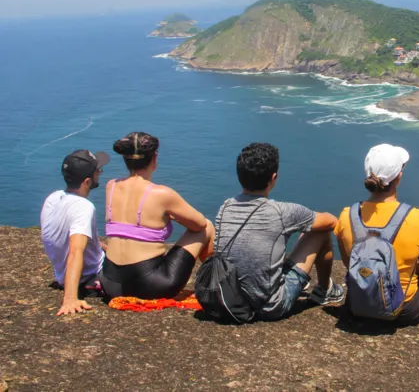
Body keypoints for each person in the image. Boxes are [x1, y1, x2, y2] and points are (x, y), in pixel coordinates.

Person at [215, 142, 344, 321]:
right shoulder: (282, 212)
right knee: (319, 232)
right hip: (268, 306)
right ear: (273, 178)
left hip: (228, 299)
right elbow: (331, 222)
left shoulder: (225, 207)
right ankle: (324, 290)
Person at [335, 143, 419, 323]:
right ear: (399, 177)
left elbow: (349, 263)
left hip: (358, 303)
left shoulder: (347, 216)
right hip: (404, 308)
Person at [99, 132, 214, 300]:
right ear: (154, 158)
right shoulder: (162, 194)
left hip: (110, 284)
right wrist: (173, 216)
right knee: (207, 226)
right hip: (150, 285)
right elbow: (199, 224)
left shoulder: (111, 186)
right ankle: (214, 280)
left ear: (125, 160)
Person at [41, 149, 109, 316]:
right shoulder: (83, 207)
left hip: (64, 273)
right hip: (91, 277)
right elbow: (75, 250)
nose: (99, 174)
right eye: (97, 171)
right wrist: (70, 298)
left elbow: (63, 236)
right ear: (87, 181)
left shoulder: (53, 198)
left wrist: (103, 246)